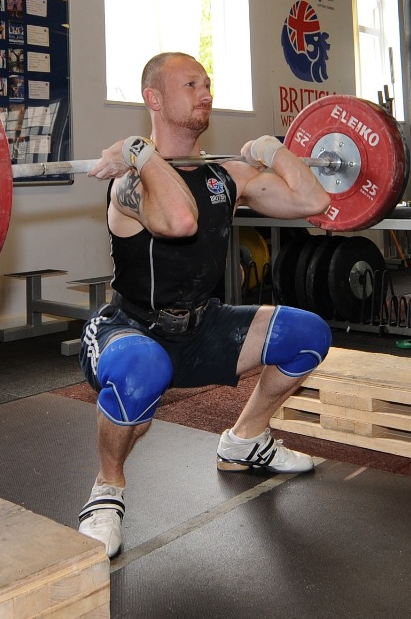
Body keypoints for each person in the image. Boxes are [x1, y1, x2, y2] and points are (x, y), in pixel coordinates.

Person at [76, 52, 335, 558]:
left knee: (308, 335)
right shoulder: (129, 183)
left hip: (202, 327)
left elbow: (313, 201)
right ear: (153, 99)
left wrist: (273, 149)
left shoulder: (226, 175)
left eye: (208, 84)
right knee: (141, 370)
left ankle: (244, 440)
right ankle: (107, 489)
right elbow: (180, 220)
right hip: (132, 330)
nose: (206, 93)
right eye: (191, 84)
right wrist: (139, 153)